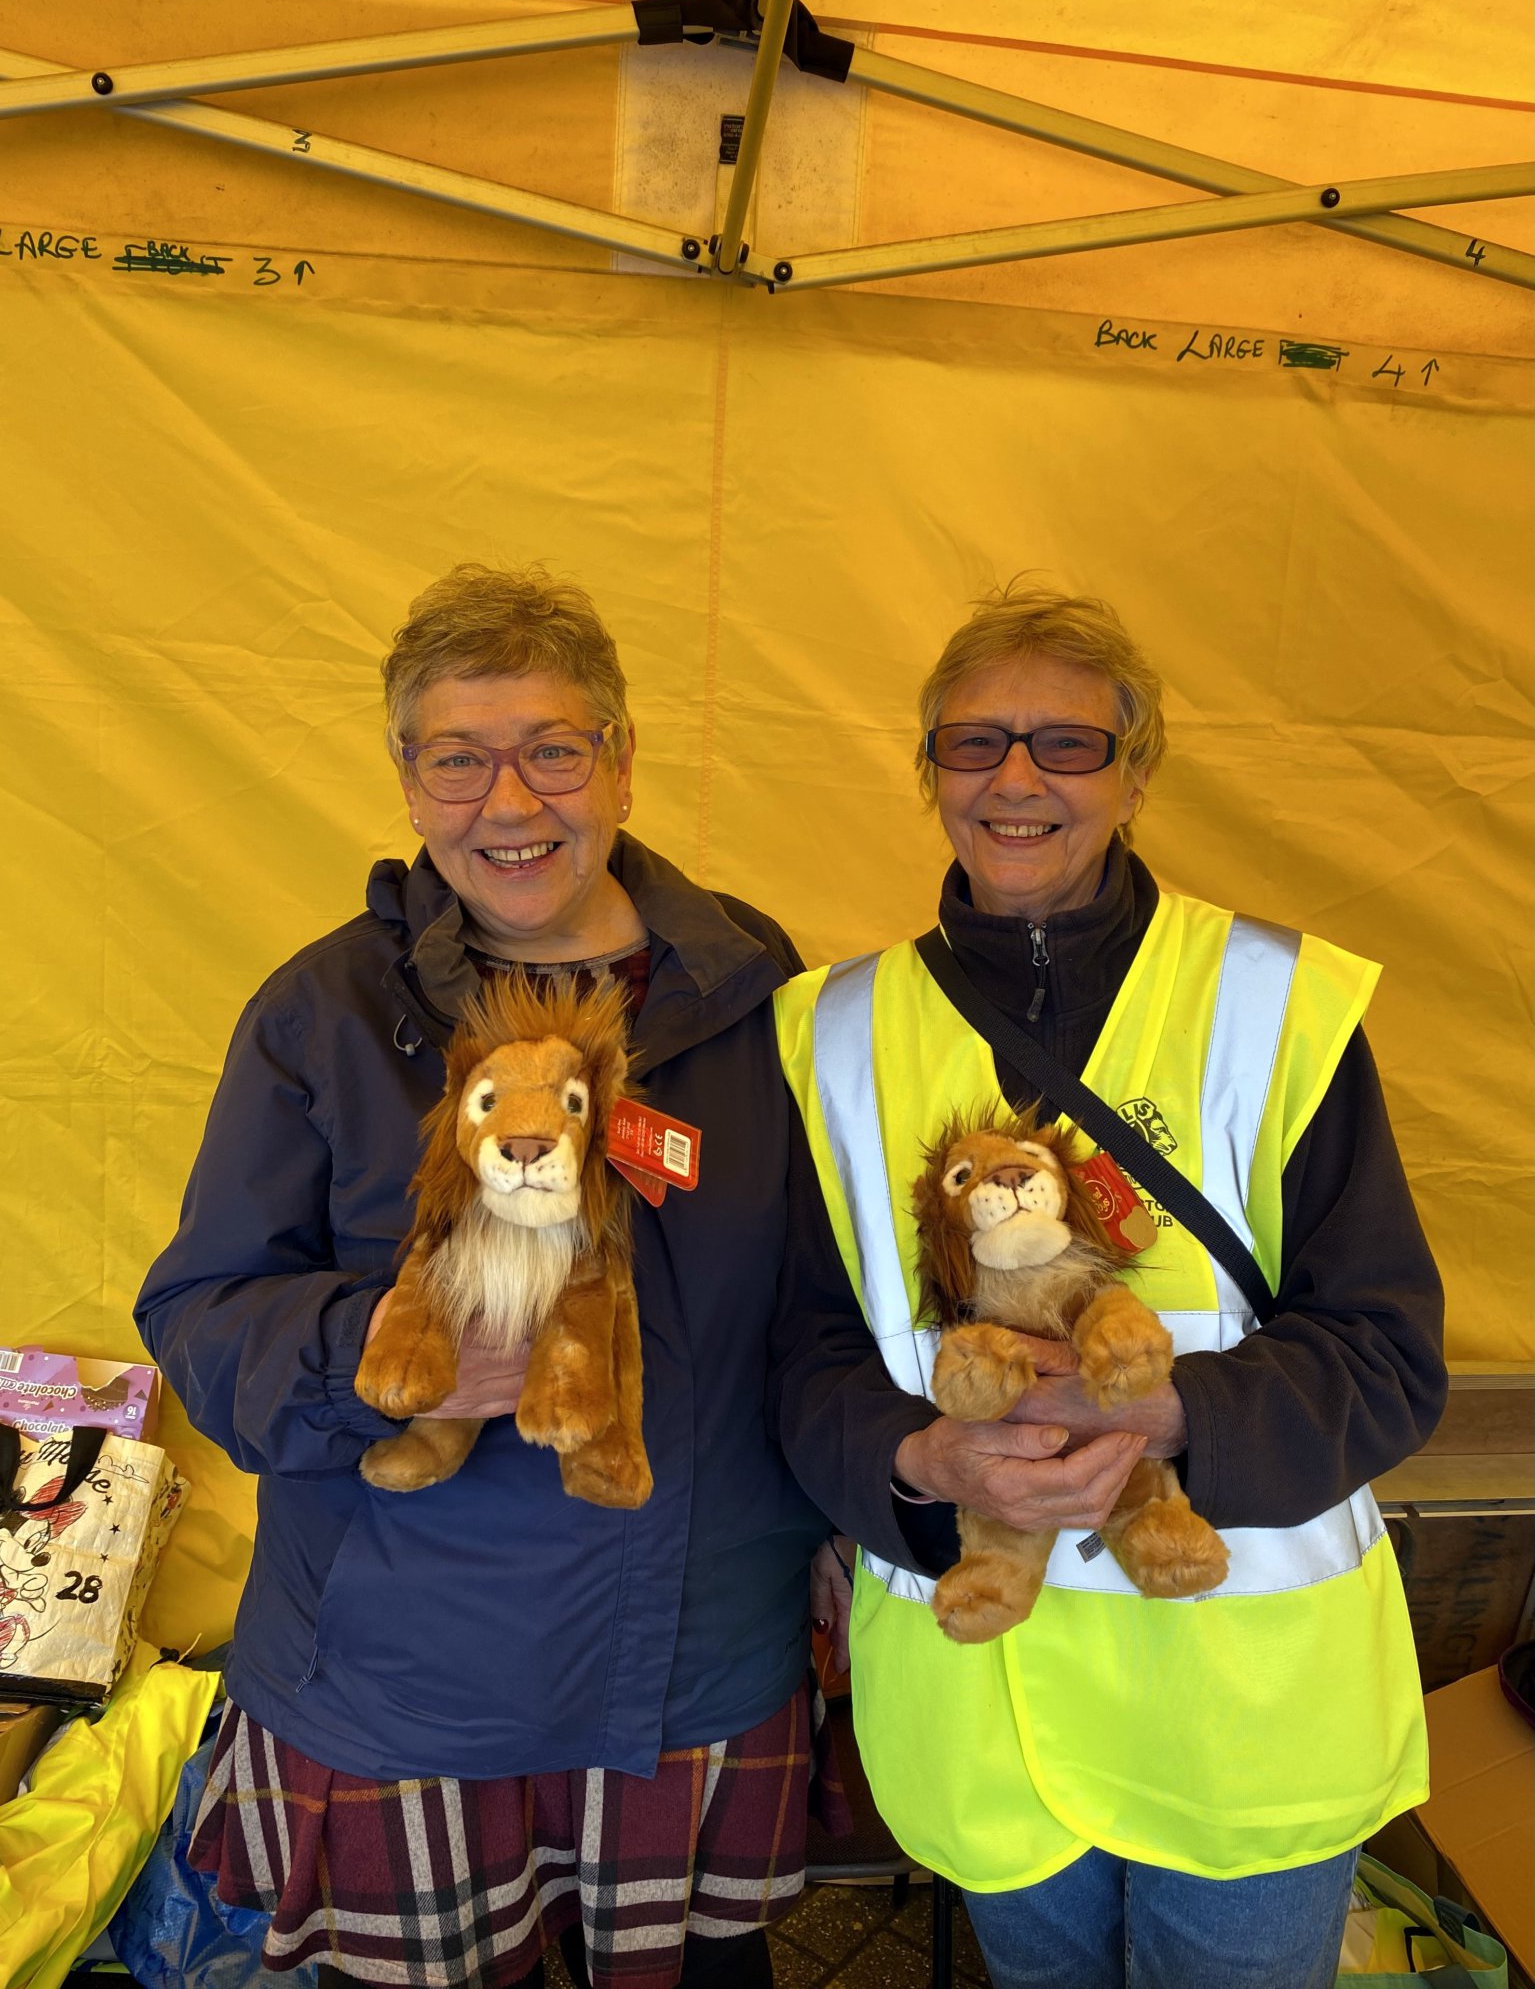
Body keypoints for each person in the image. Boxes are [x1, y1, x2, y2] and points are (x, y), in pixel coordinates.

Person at [134, 563, 951, 1989]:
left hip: (693, 1651)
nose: (509, 806)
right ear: (405, 778)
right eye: (459, 759)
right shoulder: (326, 1015)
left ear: (622, 765)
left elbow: (827, 1313)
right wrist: (395, 1353)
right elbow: (203, 1314)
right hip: (406, 1673)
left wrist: (878, 1503)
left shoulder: (759, 993)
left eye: (552, 752)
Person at [775, 582, 1448, 1989]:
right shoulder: (828, 1033)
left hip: (1242, 1709)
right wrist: (916, 1453)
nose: (1016, 777)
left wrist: (1165, 1415)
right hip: (987, 1710)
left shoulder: (1272, 1003)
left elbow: (1385, 1350)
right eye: (974, 744)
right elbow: (801, 1356)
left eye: (1067, 744)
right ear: (930, 774)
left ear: (1135, 772)